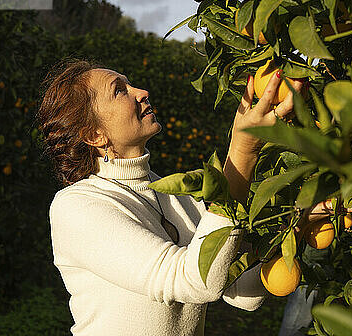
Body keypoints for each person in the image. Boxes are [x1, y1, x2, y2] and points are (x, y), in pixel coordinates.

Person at [35, 58, 308, 336]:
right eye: (119, 90)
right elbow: (193, 281)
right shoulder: (77, 207)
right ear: (94, 135)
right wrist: (243, 150)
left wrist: (300, 227)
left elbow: (243, 293)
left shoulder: (176, 195)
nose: (141, 92)